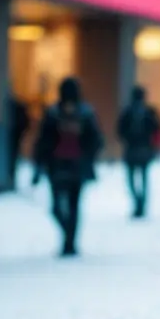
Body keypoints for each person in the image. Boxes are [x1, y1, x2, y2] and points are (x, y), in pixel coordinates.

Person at [33, 76, 103, 256]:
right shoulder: (55, 113)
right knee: (61, 206)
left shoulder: (83, 114)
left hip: (72, 165)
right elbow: (43, 141)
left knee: (70, 205)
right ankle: (69, 237)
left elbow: (94, 139)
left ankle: (69, 242)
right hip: (60, 164)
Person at [117, 85, 160, 218]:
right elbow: (156, 128)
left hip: (131, 149)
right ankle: (142, 203)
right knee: (144, 177)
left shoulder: (127, 111)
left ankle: (138, 201)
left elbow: (120, 130)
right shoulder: (149, 111)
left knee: (131, 179)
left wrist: (128, 139)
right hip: (144, 149)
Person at [6, 91, 30, 189]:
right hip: (15, 137)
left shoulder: (17, 109)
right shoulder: (16, 109)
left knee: (13, 159)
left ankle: (11, 179)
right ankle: (11, 179)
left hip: (15, 137)